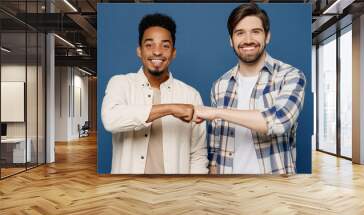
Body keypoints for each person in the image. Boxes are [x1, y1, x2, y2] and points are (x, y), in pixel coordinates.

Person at [194, 3, 306, 174]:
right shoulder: (220, 85)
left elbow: (279, 121)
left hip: (274, 189)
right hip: (229, 188)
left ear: (267, 36)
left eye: (255, 31)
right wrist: (214, 176)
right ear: (231, 40)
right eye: (240, 33)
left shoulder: (290, 76)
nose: (248, 40)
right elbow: (216, 144)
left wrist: (217, 112)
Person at [101, 13, 208, 174]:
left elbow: (198, 153)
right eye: (149, 45)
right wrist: (170, 108)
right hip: (128, 191)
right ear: (139, 51)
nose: (157, 52)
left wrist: (193, 190)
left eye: (165, 45)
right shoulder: (120, 83)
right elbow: (111, 120)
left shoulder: (191, 95)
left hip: (175, 192)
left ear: (173, 52)